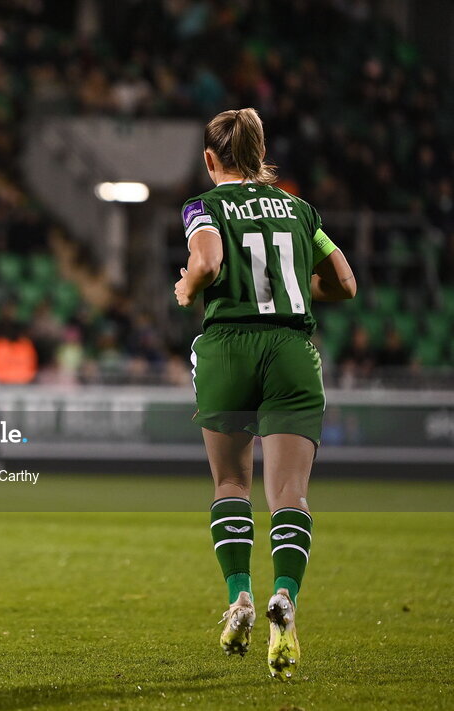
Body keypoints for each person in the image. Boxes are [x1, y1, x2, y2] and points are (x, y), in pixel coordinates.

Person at [174, 108, 356, 679]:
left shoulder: (203, 206)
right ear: (261, 152)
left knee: (231, 483)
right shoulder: (301, 211)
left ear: (210, 160)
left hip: (229, 345)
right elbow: (345, 283)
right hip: (291, 350)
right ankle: (284, 597)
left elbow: (206, 260)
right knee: (289, 494)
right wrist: (296, 287)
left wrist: (187, 285)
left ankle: (239, 599)